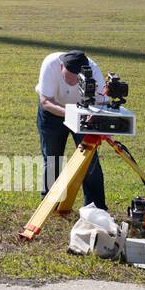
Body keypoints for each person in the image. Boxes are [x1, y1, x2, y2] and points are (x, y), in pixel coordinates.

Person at [35, 49, 107, 210]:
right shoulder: (50, 64)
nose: (71, 82)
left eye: (76, 79)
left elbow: (103, 100)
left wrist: (94, 116)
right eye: (68, 77)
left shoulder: (93, 70)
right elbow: (45, 101)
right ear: (61, 67)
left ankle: (95, 206)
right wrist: (71, 114)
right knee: (52, 158)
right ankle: (48, 204)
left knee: (89, 160)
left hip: (84, 114)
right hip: (52, 113)